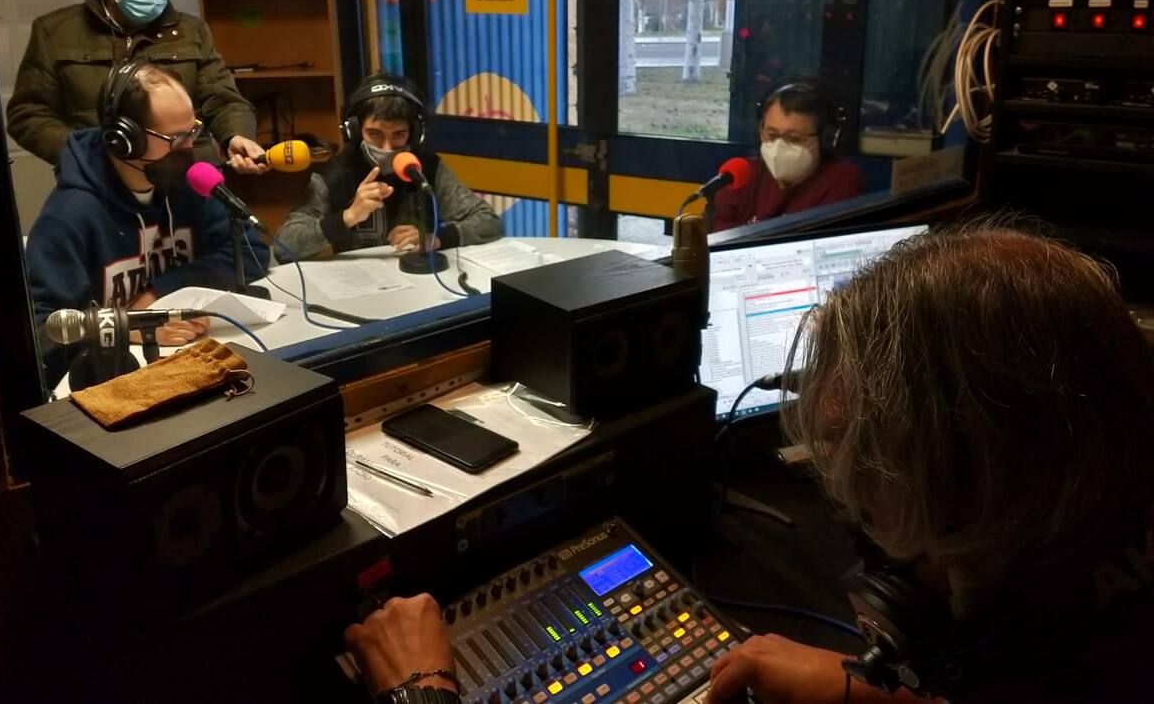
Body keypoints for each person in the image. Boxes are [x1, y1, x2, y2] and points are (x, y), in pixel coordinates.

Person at [343, 226, 1154, 704]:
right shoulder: (1090, 597)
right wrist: (869, 694)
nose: (871, 558)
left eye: (880, 522)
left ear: (973, 498)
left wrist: (423, 691)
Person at [26, 63, 270, 385]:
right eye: (176, 138)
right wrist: (130, 326)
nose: (188, 148)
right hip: (114, 385)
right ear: (125, 141)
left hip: (192, 362)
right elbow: (44, 330)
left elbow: (251, 253)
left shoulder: (187, 186)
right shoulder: (68, 218)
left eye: (192, 132)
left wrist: (160, 293)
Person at [7, 0, 269, 174]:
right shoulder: (56, 32)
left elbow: (223, 99)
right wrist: (85, 155)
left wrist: (235, 135)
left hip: (188, 176)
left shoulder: (192, 31)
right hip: (97, 180)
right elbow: (27, 114)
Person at [277, 73, 503, 259]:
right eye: (375, 134)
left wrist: (437, 238)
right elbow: (284, 247)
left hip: (421, 282)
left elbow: (489, 222)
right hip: (357, 285)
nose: (387, 147)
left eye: (398, 135)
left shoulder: (428, 167)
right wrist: (348, 216)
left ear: (414, 134)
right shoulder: (334, 175)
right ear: (354, 131)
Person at [712, 83, 864, 231]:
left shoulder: (841, 180)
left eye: (793, 138)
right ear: (760, 133)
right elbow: (716, 234)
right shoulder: (742, 175)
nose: (779, 147)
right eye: (772, 135)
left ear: (824, 140)